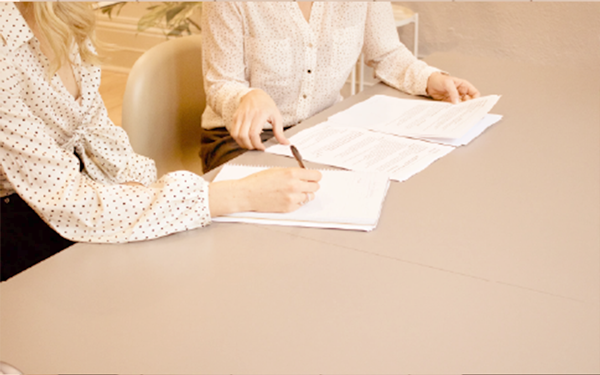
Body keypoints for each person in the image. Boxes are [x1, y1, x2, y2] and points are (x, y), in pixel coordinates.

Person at [0, 2, 321, 282]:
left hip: (74, 191)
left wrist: (138, 186)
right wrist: (239, 195)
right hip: (21, 218)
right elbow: (68, 202)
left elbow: (95, 130)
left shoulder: (65, 15)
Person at [200, 1, 481, 172]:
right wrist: (247, 97)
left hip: (321, 132)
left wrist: (430, 80)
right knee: (290, 200)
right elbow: (221, 83)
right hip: (240, 140)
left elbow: (386, 53)